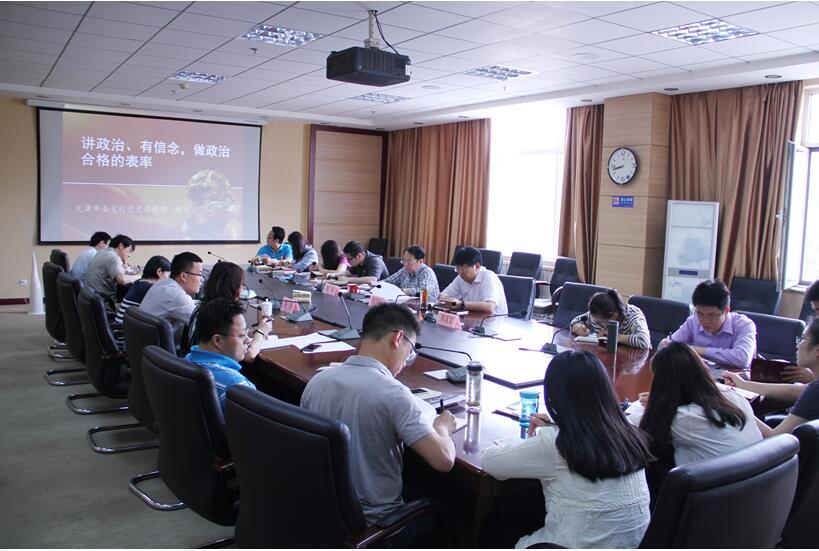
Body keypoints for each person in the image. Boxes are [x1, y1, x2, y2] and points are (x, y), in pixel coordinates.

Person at [301, 304, 456, 546]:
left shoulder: (317, 382)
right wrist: (442, 426)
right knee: (450, 511)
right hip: (378, 531)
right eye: (410, 351)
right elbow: (444, 460)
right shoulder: (394, 394)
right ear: (398, 338)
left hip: (324, 516)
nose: (406, 361)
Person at [482, 350, 652, 548]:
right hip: (634, 545)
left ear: (555, 398)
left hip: (571, 545)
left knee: (496, 518)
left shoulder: (556, 445)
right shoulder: (629, 433)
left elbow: (490, 462)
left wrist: (530, 439)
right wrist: (558, 426)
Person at [626, 343, 761, 484]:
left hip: (716, 492)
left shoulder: (683, 418)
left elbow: (634, 426)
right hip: (756, 485)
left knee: (648, 458)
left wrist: (657, 403)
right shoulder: (735, 398)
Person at [723, 318, 819, 437]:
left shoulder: (815, 390)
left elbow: (774, 438)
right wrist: (743, 384)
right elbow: (793, 391)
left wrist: (737, 406)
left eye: (803, 339)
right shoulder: (814, 388)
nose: (798, 345)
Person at [659, 279, 756, 368]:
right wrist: (666, 345)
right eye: (700, 314)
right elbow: (667, 345)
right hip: (702, 376)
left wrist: (696, 350)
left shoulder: (744, 325)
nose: (705, 321)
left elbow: (742, 359)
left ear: (726, 311)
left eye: (712, 315)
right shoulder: (693, 321)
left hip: (735, 379)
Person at [185, 299, 259, 412]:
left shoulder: (186, 360)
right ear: (217, 341)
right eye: (242, 335)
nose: (248, 340)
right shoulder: (236, 385)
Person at [185, 261, 271, 357]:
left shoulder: (202, 308)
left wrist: (249, 332)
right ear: (233, 287)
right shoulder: (223, 314)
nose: (242, 289)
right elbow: (249, 355)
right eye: (241, 285)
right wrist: (260, 333)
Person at [139, 252, 203, 341]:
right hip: (156, 348)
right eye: (199, 274)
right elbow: (203, 325)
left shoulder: (162, 284)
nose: (202, 279)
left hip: (142, 345)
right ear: (184, 276)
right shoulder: (176, 295)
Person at [571, 289, 651, 349]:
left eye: (600, 323)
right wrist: (577, 326)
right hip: (606, 353)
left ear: (614, 315)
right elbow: (575, 321)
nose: (598, 324)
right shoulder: (597, 313)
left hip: (635, 359)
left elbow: (644, 341)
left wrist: (616, 336)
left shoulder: (633, 316)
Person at [438, 246, 507, 315]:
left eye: (464, 268)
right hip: (471, 317)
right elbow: (443, 294)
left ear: (477, 266)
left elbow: (490, 307)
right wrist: (446, 299)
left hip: (493, 319)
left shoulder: (488, 276)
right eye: (458, 268)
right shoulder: (461, 277)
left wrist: (461, 304)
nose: (460, 272)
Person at [113, 255, 170, 326]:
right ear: (159, 271)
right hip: (124, 330)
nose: (168, 278)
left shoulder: (138, 283)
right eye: (168, 274)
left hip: (119, 327)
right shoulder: (151, 288)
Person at [84, 234, 140, 303]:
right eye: (129, 251)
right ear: (121, 246)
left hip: (92, 299)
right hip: (106, 303)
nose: (129, 255)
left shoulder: (101, 252)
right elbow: (122, 280)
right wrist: (140, 276)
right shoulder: (113, 257)